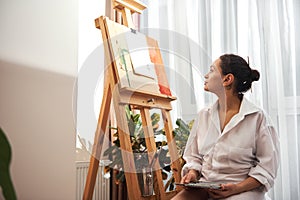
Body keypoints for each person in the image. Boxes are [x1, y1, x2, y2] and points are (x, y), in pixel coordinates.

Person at [172, 54, 280, 200]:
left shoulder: (257, 118)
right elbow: (195, 156)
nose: (206, 75)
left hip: (242, 190)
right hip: (206, 186)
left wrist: (235, 188)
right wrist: (192, 173)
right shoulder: (204, 115)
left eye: (211, 70)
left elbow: (267, 169)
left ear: (227, 79)